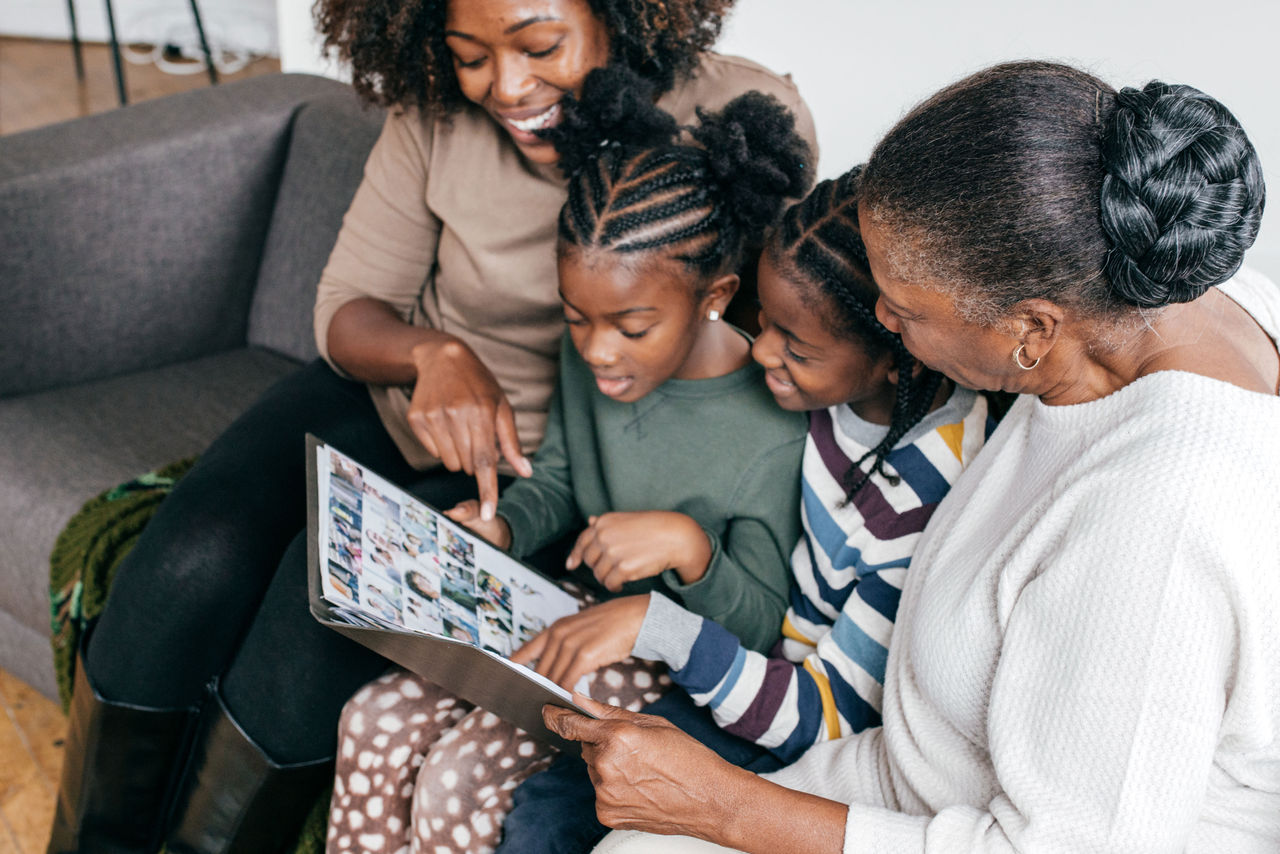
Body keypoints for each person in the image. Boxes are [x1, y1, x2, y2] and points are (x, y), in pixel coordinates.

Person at [47, 0, 819, 850]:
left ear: (624, 16)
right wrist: (433, 355)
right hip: (404, 392)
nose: (508, 85)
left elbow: (762, 358)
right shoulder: (435, 117)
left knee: (310, 615)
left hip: (535, 460)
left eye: (539, 44)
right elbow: (344, 312)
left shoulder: (735, 129)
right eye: (470, 54)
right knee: (189, 552)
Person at [542, 61, 1280, 853]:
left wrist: (717, 805)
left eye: (904, 312)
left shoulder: (1155, 524)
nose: (881, 318)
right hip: (910, 776)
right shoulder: (1150, 283)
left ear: (1031, 330)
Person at [325, 70, 812, 854]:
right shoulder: (586, 358)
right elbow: (555, 479)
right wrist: (504, 529)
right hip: (569, 609)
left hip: (676, 664)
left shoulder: (775, 427)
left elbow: (759, 628)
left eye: (630, 325)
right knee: (371, 717)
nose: (596, 349)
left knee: (459, 783)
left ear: (716, 296)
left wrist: (690, 549)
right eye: (577, 317)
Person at [496, 164, 995, 854]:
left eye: (794, 345)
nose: (760, 352)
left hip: (803, 717)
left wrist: (657, 623)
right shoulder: (833, 389)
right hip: (752, 669)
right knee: (554, 797)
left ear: (898, 353)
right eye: (762, 324)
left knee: (554, 819)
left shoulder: (918, 502)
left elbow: (826, 717)